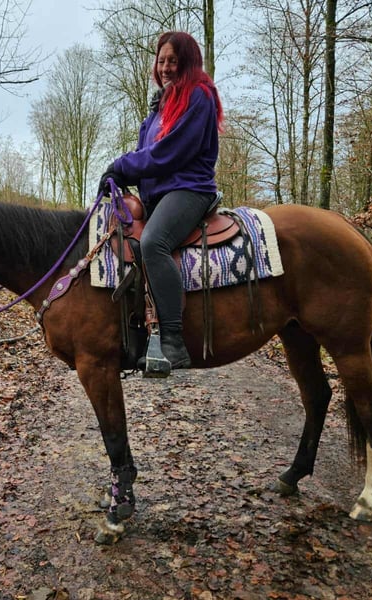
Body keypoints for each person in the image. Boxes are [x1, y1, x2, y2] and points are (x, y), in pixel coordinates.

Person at [98, 31, 223, 373]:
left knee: (154, 242)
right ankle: (137, 332)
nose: (165, 67)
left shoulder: (199, 96)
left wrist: (122, 165)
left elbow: (169, 153)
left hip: (189, 189)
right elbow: (146, 153)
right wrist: (119, 174)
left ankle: (173, 342)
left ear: (188, 63)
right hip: (159, 193)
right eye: (161, 61)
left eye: (173, 61)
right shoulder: (161, 105)